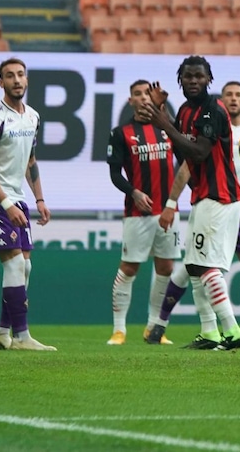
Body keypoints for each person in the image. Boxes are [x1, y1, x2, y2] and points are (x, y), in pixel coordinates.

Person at [147, 82, 240, 346]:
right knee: (193, 267)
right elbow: (187, 167)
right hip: (215, 199)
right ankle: (161, 324)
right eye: (228, 95)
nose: (233, 99)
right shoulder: (211, 129)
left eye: (238, 95)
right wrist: (170, 202)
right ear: (220, 101)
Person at [135, 55, 240, 350]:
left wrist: (162, 122)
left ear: (210, 79)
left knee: (206, 264)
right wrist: (161, 111)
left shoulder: (214, 110)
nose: (194, 81)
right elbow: (182, 148)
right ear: (180, 80)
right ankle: (209, 332)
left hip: (220, 196)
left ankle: (232, 330)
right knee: (196, 265)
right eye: (188, 77)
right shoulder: (185, 111)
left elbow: (198, 152)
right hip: (202, 196)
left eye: (199, 76)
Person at [0, 57, 54, 351]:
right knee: (15, 263)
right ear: (1, 83)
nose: (17, 80)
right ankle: (22, 337)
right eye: (10, 76)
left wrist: (40, 199)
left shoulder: (32, 116)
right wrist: (7, 204)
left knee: (26, 267)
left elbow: (30, 161)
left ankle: (2, 333)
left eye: (21, 75)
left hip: (17, 199)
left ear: (27, 79)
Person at [105, 79, 179, 346]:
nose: (144, 98)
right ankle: (119, 329)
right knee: (129, 267)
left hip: (169, 209)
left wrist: (163, 111)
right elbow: (114, 173)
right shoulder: (121, 133)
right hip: (138, 212)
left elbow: (184, 143)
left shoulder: (167, 128)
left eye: (148, 93)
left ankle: (153, 328)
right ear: (131, 101)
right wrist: (134, 192)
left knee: (166, 267)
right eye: (138, 94)